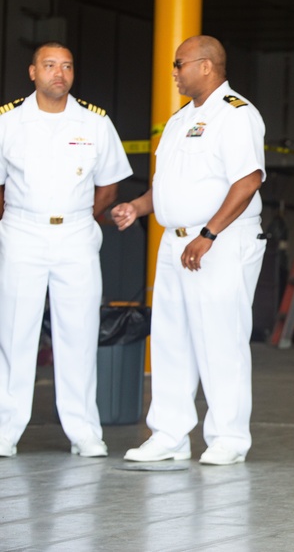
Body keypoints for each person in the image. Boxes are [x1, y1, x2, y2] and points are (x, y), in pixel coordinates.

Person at [112, 35, 266, 465]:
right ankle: (170, 435)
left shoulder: (236, 115)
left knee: (221, 338)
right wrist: (138, 208)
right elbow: (168, 186)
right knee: (170, 339)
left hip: (219, 242)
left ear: (205, 66)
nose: (174, 72)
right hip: (175, 241)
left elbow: (249, 180)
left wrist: (209, 233)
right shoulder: (181, 119)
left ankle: (228, 438)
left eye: (179, 64)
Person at [0, 42, 133, 458]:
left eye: (67, 66)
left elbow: (110, 184)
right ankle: (6, 428)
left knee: (78, 332)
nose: (60, 73)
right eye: (50, 65)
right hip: (22, 231)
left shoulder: (93, 122)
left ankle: (84, 431)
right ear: (32, 72)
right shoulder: (8, 121)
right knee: (15, 333)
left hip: (76, 233)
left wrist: (82, 220)